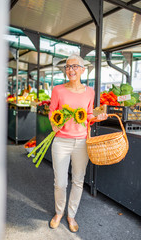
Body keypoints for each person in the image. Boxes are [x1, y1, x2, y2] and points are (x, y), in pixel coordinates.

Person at [48, 54, 107, 232]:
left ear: (82, 69)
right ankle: (59, 212)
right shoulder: (58, 90)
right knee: (60, 182)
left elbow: (88, 115)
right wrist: (56, 124)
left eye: (74, 66)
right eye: (67, 67)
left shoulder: (90, 92)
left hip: (81, 142)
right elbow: (52, 111)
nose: (70, 70)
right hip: (61, 142)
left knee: (78, 181)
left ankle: (71, 215)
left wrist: (98, 117)